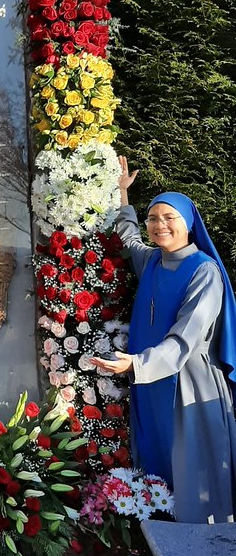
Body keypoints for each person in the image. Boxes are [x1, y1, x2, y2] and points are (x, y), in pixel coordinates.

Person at [91, 158, 236, 522]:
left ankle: (202, 555)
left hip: (189, 383)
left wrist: (136, 363)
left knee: (192, 473)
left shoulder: (204, 271)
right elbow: (128, 237)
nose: (159, 225)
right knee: (157, 467)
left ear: (188, 223)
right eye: (154, 218)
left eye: (169, 218)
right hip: (150, 380)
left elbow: (186, 338)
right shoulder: (153, 261)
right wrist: (124, 194)